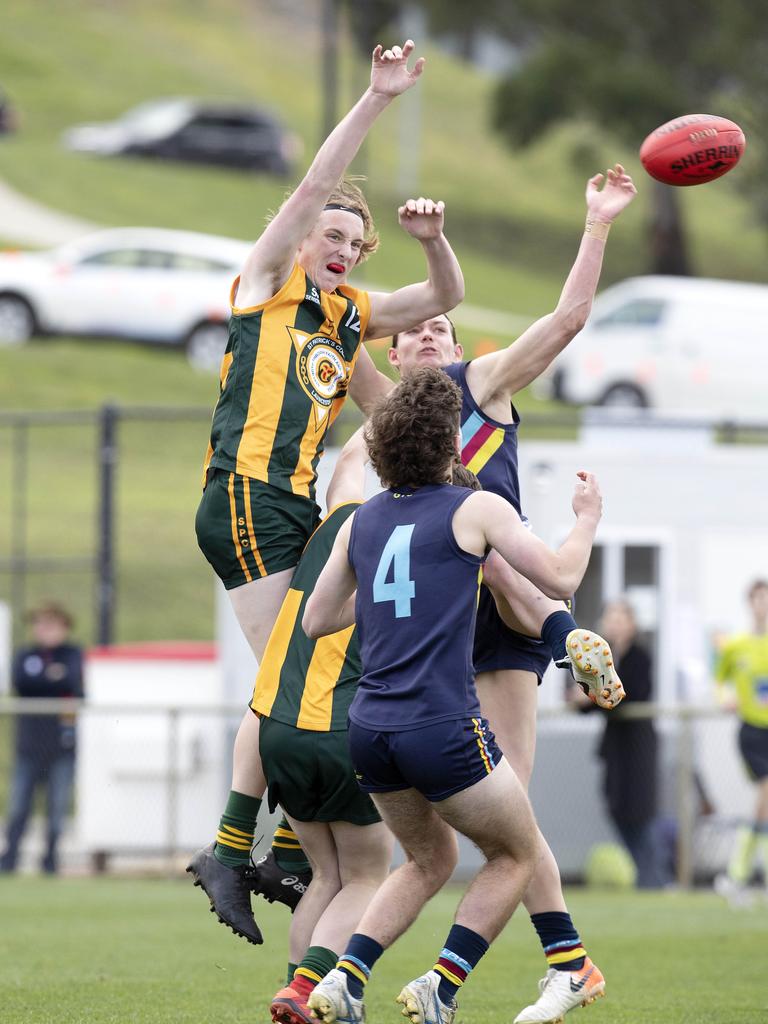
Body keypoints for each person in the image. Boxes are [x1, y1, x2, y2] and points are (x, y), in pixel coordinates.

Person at [189, 38, 464, 931]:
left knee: (306, 667)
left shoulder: (345, 319)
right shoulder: (266, 284)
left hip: (290, 505)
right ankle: (232, 847)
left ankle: (273, 846)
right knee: (285, 672)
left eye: (355, 241)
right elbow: (313, 184)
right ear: (300, 235)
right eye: (331, 235)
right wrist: (379, 101)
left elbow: (438, 300)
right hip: (243, 491)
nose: (342, 249)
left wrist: (432, 245)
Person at [385, 165, 635, 1023]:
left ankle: (529, 972)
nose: (428, 335)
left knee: (511, 815)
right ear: (390, 351)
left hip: (496, 624)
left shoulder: (478, 390)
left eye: (442, 328)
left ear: (457, 352)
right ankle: (568, 963)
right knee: (480, 833)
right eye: (413, 328)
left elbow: (566, 320)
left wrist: (596, 224)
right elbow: (319, 345)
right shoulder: (383, 423)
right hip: (420, 638)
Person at [302, 368, 605, 1024]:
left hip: (371, 731)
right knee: (517, 852)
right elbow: (559, 575)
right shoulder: (476, 508)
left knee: (427, 858)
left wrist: (394, 600)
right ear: (451, 445)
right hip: (439, 725)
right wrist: (585, 521)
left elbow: (316, 620)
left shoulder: (363, 523)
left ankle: (344, 981)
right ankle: (442, 984)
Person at [569, 599, 667, 889]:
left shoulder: (640, 656)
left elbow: (630, 695)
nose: (614, 623)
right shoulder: (602, 658)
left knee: (641, 813)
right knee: (616, 807)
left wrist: (595, 696)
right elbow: (598, 700)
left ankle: (655, 882)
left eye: (620, 617)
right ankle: (647, 879)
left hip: (638, 747)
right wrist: (582, 699)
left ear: (632, 623)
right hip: (614, 749)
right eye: (609, 617)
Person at [0, 602, 84, 875]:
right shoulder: (26, 655)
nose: (43, 630)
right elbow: (22, 681)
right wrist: (52, 678)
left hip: (62, 746)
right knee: (18, 806)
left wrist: (50, 679)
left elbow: (72, 681)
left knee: (57, 809)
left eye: (50, 624)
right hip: (29, 745)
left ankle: (50, 861)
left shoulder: (72, 654)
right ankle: (10, 859)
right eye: (39, 624)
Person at [713, 578, 768, 906]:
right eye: (757, 599)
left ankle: (737, 876)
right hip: (752, 731)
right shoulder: (736, 646)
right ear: (750, 603)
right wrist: (725, 697)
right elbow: (719, 680)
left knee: (763, 804)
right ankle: (738, 874)